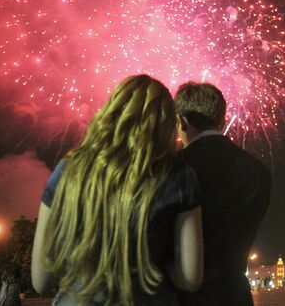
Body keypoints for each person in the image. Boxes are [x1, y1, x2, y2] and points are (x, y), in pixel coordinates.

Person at [31, 75, 204, 306]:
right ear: (165, 124)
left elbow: (41, 280)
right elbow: (190, 278)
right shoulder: (179, 175)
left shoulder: (67, 171)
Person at [174, 82, 271, 306]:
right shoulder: (258, 170)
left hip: (185, 298)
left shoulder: (176, 166)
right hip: (236, 295)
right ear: (223, 120)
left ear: (181, 121)